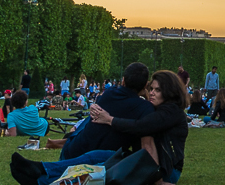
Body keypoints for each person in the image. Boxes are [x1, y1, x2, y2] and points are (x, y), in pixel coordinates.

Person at [13, 68, 188, 185]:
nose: (151, 93)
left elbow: (142, 127)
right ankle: (42, 170)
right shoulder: (153, 109)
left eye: (157, 90)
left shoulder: (172, 112)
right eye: (151, 89)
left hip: (166, 170)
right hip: (145, 160)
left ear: (169, 91)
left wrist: (109, 119)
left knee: (104, 166)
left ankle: (42, 176)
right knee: (96, 156)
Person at [55, 63, 155, 161]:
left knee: (93, 115)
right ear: (146, 85)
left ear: (123, 80)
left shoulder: (110, 93)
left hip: (71, 152)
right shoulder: (144, 109)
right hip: (101, 161)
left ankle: (67, 138)